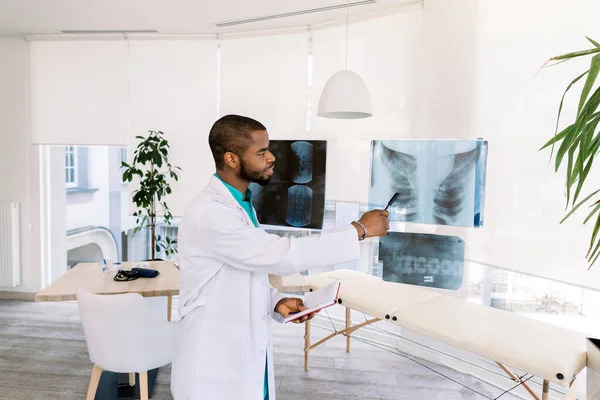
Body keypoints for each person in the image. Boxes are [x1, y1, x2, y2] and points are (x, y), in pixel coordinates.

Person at [170, 114, 390, 400]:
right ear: (232, 159)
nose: (271, 157)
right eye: (261, 152)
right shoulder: (210, 212)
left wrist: (277, 301)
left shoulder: (241, 203)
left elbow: (245, 271)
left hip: (242, 354)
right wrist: (358, 230)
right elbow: (280, 255)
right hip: (214, 361)